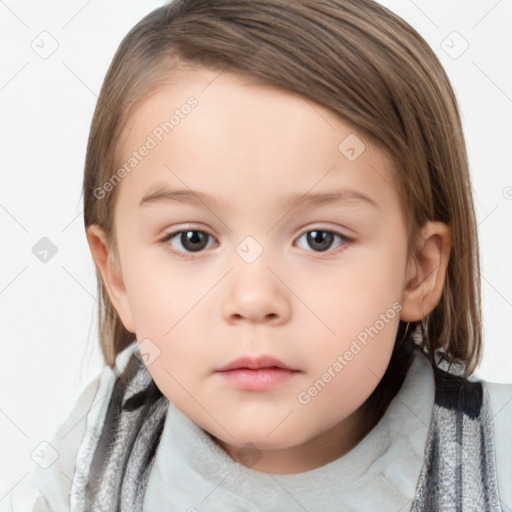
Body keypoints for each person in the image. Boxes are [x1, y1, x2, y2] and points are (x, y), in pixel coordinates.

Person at [15, 0, 512, 510]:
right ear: (116, 275)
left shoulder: (497, 461)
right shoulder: (89, 463)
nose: (253, 299)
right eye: (192, 239)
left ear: (419, 270)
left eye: (320, 238)